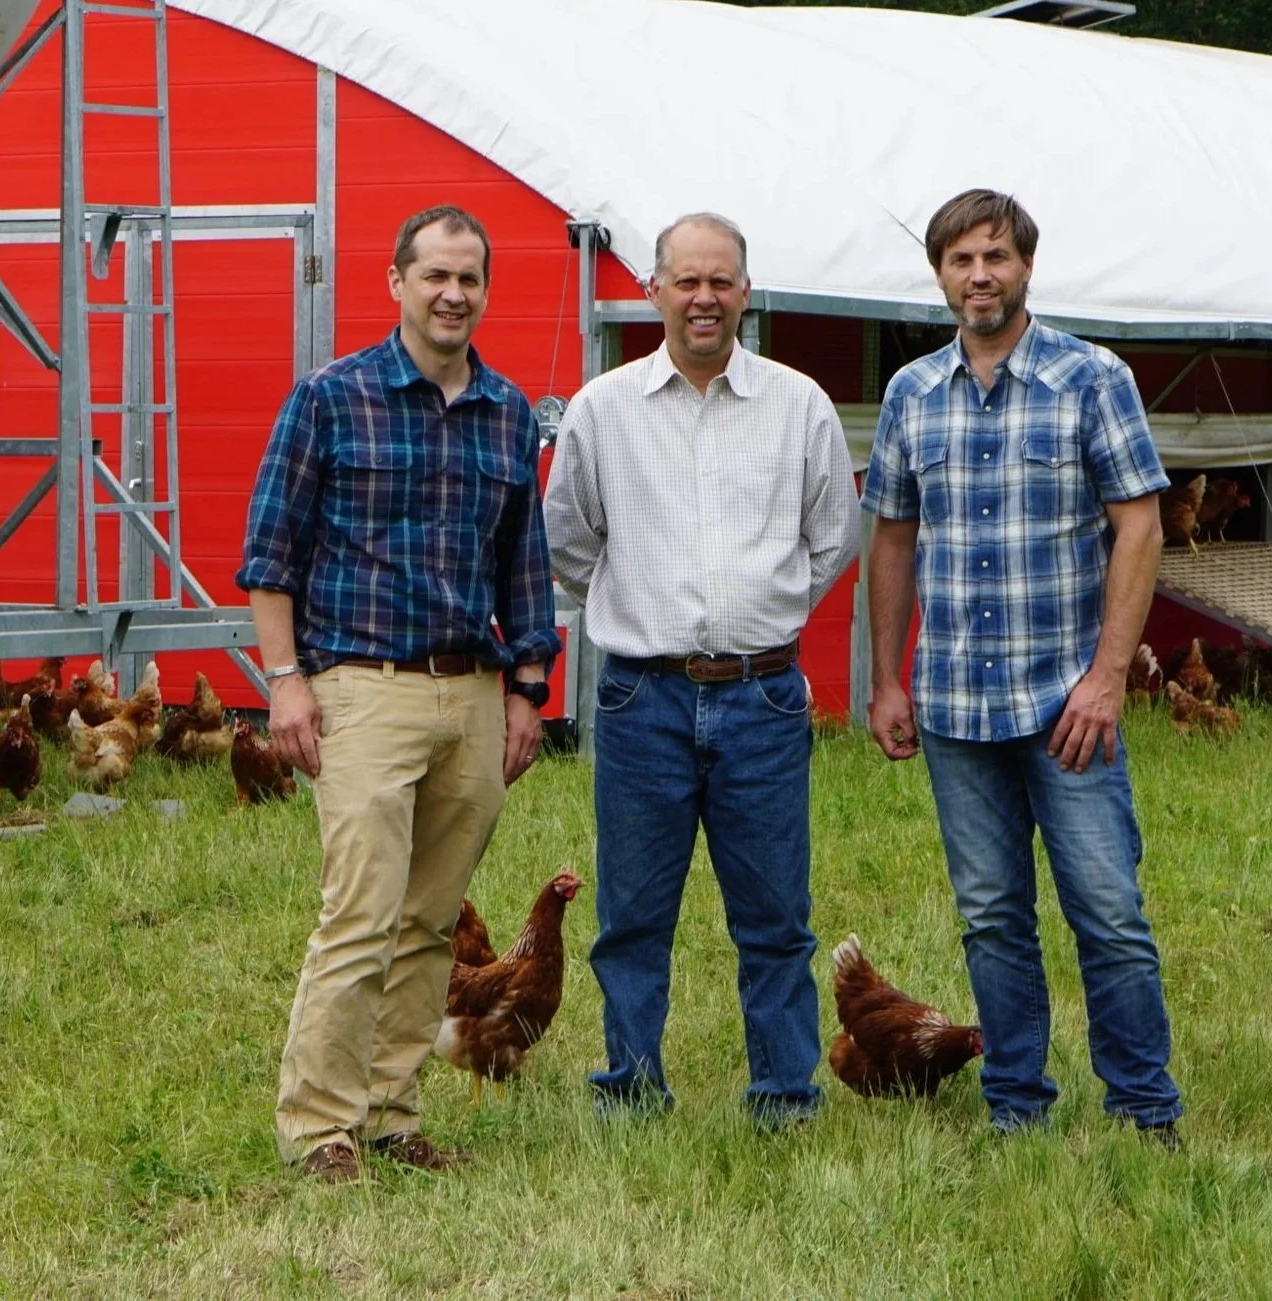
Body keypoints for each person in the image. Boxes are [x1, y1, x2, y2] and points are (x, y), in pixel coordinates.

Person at [238, 205, 560, 1182]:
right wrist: (285, 681)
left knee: (432, 921)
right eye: (435, 276)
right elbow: (269, 554)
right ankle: (320, 1128)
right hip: (360, 688)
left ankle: (390, 1112)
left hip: (471, 693)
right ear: (397, 282)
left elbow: (524, 562)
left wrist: (529, 687)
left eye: (470, 278)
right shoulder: (330, 399)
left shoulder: (507, 410)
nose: (453, 293)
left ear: (484, 291)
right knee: (361, 912)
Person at [862, 189, 1183, 1142]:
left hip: (1066, 705)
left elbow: (1141, 526)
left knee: (1108, 912)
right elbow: (891, 536)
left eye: (995, 256)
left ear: (1026, 265)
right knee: (993, 918)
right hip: (957, 704)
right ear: (940, 276)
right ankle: (1016, 1104)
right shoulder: (911, 394)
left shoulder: (1092, 377)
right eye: (960, 261)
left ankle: (1141, 1106)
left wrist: (1109, 676)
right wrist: (886, 677)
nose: (979, 276)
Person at [544, 212, 860, 1126]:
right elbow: (568, 542)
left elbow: (831, 536)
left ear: (746, 293)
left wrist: (760, 604)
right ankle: (632, 1090)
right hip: (641, 692)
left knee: (774, 919)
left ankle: (783, 1096)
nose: (704, 298)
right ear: (654, 291)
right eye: (686, 281)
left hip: (762, 692)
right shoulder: (603, 411)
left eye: (721, 281)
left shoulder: (798, 405)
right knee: (632, 917)